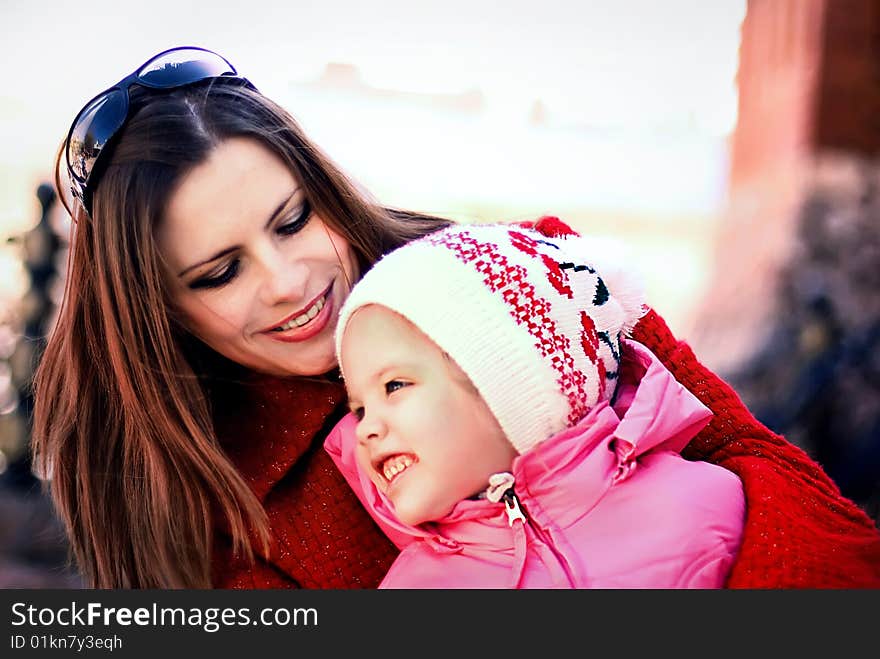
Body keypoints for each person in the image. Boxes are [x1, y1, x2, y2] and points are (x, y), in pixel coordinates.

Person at [32, 46, 880, 589]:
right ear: (161, 315)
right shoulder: (212, 502)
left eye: (293, 220)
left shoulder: (520, 271)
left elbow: (747, 454)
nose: (288, 281)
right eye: (220, 272)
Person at [327, 223, 746, 587]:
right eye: (359, 408)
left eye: (395, 385)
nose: (365, 429)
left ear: (506, 375)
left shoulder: (699, 506)